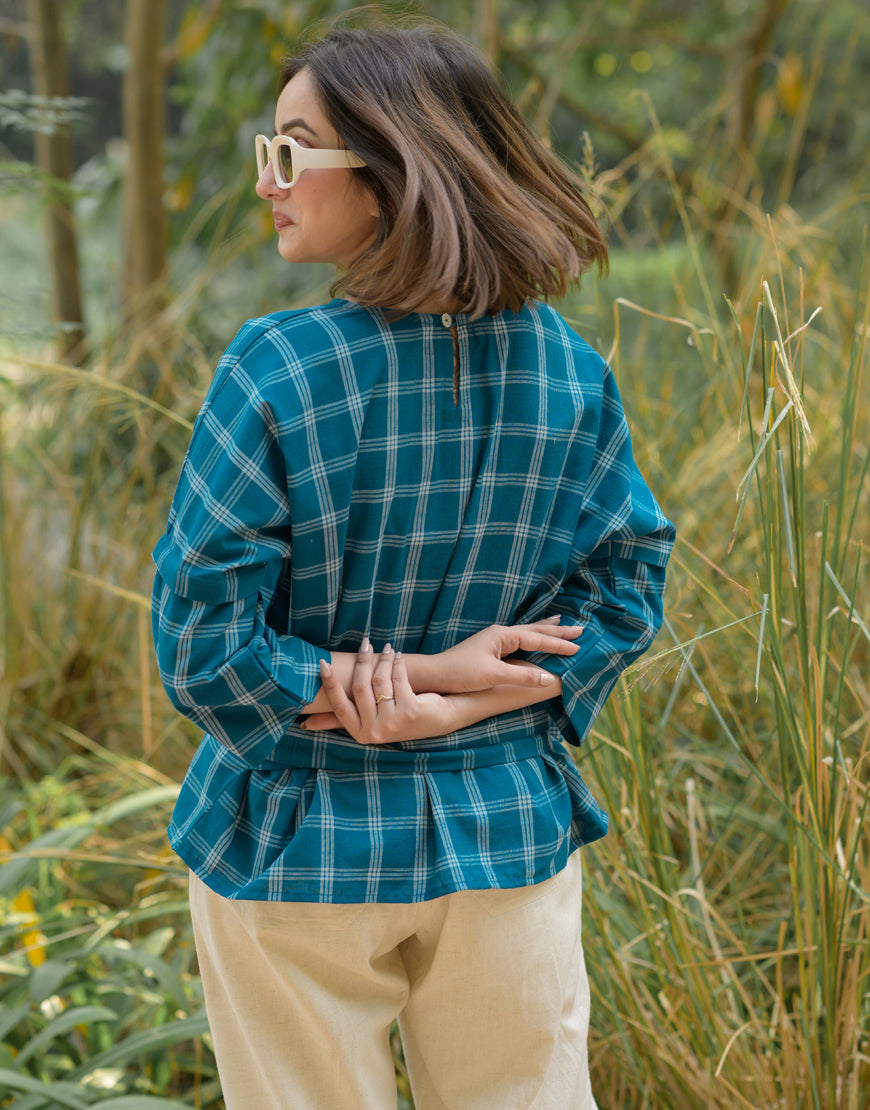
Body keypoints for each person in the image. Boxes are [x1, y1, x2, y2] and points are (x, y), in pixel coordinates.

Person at [151, 18, 675, 1110]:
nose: (269, 181)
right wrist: (449, 694)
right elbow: (627, 585)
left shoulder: (277, 369)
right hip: (504, 831)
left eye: (291, 152)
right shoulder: (572, 375)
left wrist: (374, 690)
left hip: (296, 840)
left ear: (389, 176)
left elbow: (204, 646)